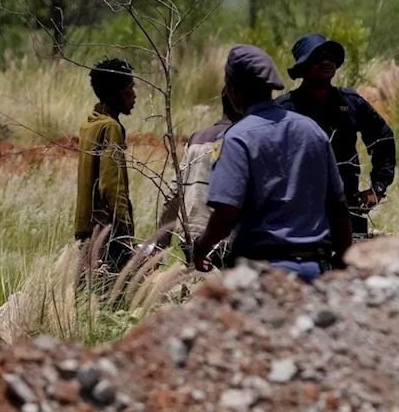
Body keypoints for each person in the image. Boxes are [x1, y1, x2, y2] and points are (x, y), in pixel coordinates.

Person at [193, 45, 353, 282]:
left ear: (233, 90)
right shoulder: (312, 130)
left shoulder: (236, 138)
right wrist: (343, 259)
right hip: (313, 270)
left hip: (261, 275)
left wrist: (201, 246)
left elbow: (226, 213)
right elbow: (338, 205)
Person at [277, 33, 395, 236]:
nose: (326, 62)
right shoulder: (285, 109)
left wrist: (378, 187)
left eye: (330, 56)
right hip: (297, 216)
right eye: (318, 57)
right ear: (304, 67)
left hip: (347, 209)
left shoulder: (351, 102)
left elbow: (382, 138)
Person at [150, 90, 242, 263]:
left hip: (190, 232)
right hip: (222, 237)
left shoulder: (196, 138)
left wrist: (162, 242)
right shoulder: (241, 138)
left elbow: (174, 193)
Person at [74, 58, 138, 272]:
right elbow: (112, 186)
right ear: (118, 93)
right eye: (131, 87)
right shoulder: (111, 128)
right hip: (107, 235)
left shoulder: (90, 124)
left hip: (87, 233)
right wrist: (126, 234)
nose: (134, 94)